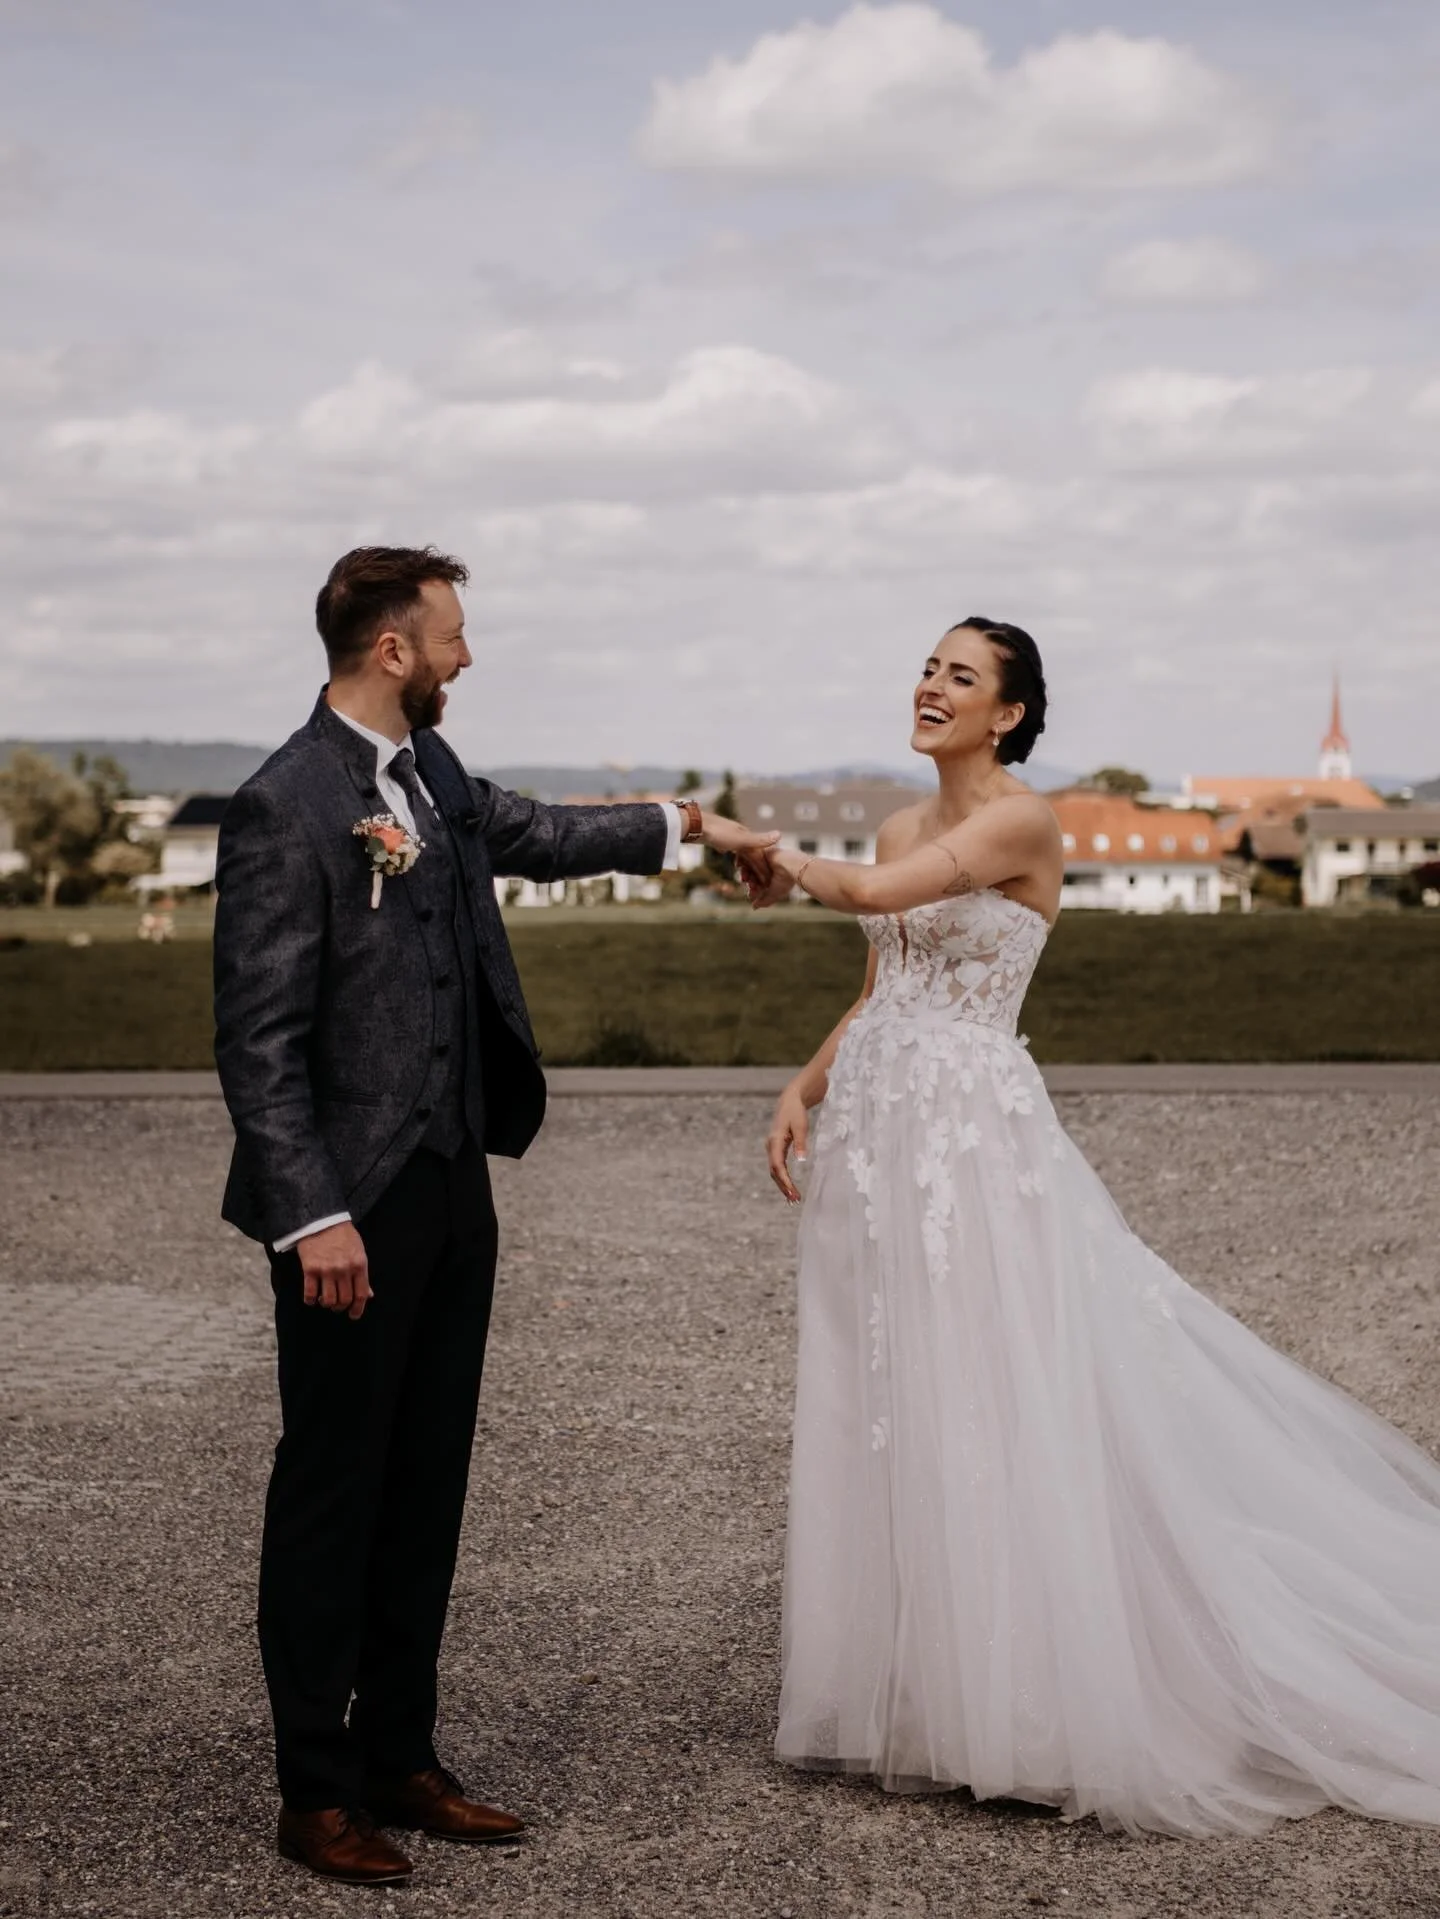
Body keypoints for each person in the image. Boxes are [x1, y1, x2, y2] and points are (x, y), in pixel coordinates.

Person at [751, 618, 1440, 1837]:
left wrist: (747, 843)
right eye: (928, 667)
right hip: (881, 1131)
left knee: (1001, 1381)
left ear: (1009, 712)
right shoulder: (899, 825)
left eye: (961, 675)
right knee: (901, 1383)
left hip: (973, 1130)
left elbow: (867, 896)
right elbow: (881, 984)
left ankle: (1033, 1702)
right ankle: (932, 1688)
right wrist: (804, 1083)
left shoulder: (1021, 822)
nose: (931, 686)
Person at [213, 545, 778, 1888]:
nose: (467, 656)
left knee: (428, 1481)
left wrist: (691, 824)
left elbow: (541, 832)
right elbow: (257, 1040)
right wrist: (312, 1215)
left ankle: (400, 1754)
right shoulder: (284, 803)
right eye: (453, 636)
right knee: (335, 1488)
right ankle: (316, 1787)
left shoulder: (436, 775)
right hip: (350, 1207)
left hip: (453, 1183)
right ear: (393, 649)